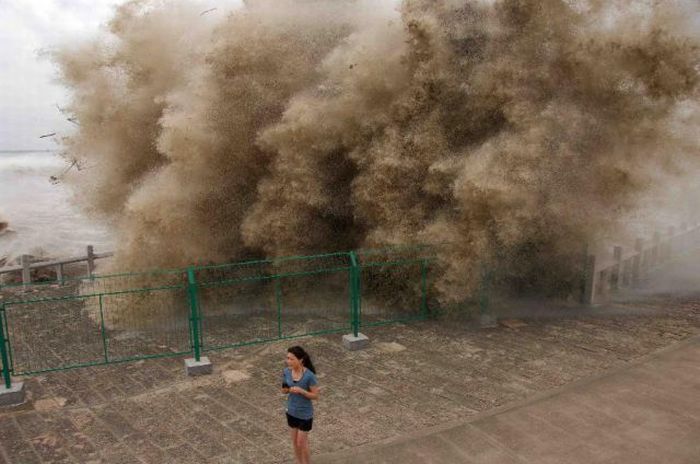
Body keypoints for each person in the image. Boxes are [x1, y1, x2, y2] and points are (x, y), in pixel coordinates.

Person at [282, 346, 319, 464]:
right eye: (287, 358)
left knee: (301, 443)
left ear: (301, 360)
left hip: (305, 415)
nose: (288, 361)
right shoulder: (286, 372)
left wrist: (302, 391)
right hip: (291, 412)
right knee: (294, 442)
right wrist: (289, 390)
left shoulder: (309, 376)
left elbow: (315, 396)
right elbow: (283, 389)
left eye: (292, 359)